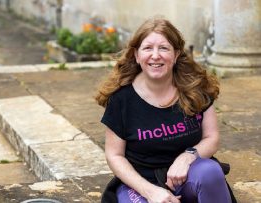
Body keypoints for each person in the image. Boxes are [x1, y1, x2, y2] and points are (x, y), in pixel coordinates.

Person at [95, 16, 236, 203]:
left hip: (188, 176)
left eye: (163, 48)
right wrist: (150, 191)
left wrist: (188, 156)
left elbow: (212, 138)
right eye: (147, 48)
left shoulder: (195, 89)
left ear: (176, 54)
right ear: (136, 55)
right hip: (140, 184)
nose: (155, 55)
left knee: (210, 171)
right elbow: (114, 155)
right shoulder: (121, 99)